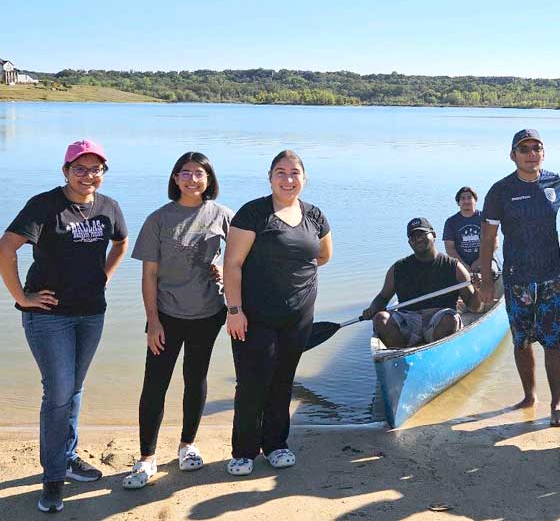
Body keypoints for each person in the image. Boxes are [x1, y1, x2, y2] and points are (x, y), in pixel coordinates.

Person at [0, 139, 128, 513]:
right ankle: (53, 477)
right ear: (66, 171)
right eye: (80, 168)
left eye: (96, 169)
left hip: (91, 312)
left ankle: (67, 457)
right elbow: (6, 248)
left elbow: (121, 244)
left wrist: (103, 277)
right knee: (57, 392)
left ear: (103, 172)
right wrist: (23, 297)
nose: (88, 176)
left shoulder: (110, 207)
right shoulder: (45, 205)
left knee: (73, 388)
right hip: (49, 316)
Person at [123, 152, 233, 489]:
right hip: (167, 315)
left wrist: (227, 274)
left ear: (209, 180)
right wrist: (152, 320)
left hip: (208, 313)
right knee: (155, 384)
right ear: (175, 179)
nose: (192, 179)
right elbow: (149, 275)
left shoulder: (224, 215)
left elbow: (245, 258)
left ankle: (187, 446)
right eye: (184, 173)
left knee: (195, 378)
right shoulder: (159, 219)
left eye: (199, 173)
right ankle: (146, 458)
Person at [223, 150, 332, 476]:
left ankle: (276, 445)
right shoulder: (253, 213)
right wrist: (234, 310)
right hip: (254, 316)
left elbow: (323, 256)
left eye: (294, 172)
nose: (288, 179)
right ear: (270, 177)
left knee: (283, 382)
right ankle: (243, 451)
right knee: (252, 384)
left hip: (298, 319)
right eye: (280, 173)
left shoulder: (315, 216)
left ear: (304, 178)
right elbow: (232, 264)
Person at [478, 129, 560, 427]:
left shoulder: (556, 183)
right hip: (517, 277)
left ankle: (557, 402)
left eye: (536, 148)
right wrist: (487, 282)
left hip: (552, 275)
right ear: (513, 155)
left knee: (553, 342)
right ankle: (529, 397)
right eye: (524, 149)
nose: (531, 153)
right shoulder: (500, 190)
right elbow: (488, 238)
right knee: (522, 341)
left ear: (543, 152)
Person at [364, 217, 481, 348]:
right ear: (409, 242)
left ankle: (438, 353)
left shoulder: (453, 266)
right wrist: (372, 308)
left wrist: (477, 290)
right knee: (380, 319)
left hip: (439, 318)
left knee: (449, 320)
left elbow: (474, 307)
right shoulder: (398, 268)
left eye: (422, 234)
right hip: (409, 319)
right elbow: (382, 298)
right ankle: (402, 355)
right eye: (413, 237)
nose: (418, 239)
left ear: (434, 235)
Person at [442, 186, 483, 272]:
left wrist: (479, 261)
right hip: (459, 262)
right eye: (463, 198)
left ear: (475, 201)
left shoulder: (485, 218)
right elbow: (450, 249)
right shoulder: (451, 222)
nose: (466, 201)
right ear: (458, 202)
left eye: (469, 198)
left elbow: (494, 242)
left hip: (484, 258)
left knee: (493, 272)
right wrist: (463, 265)